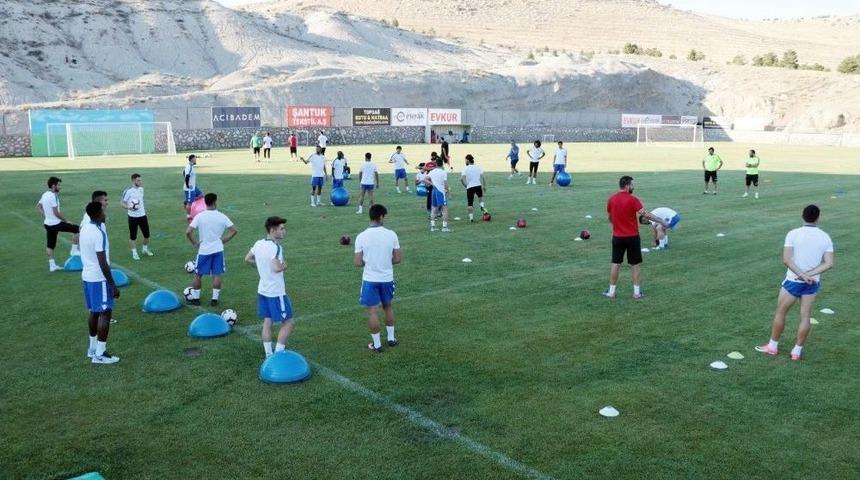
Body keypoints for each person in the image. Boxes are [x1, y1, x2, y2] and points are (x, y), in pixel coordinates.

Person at [755, 205, 834, 361]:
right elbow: (829, 263)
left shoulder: (793, 234)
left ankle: (772, 346)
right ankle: (796, 351)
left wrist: (802, 275)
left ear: (802, 216)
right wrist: (809, 275)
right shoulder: (825, 237)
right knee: (805, 316)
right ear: (818, 218)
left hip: (793, 280)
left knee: (781, 312)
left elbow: (787, 260)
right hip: (812, 283)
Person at [604, 176, 668, 300]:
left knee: (616, 264)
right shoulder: (633, 200)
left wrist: (616, 225)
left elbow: (610, 217)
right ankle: (637, 293)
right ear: (627, 185)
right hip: (632, 237)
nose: (633, 187)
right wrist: (661, 221)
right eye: (632, 185)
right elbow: (646, 214)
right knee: (635, 265)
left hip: (617, 237)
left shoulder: (611, 199)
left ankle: (611, 292)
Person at [245, 216, 295, 358]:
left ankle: (268, 354)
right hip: (275, 292)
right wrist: (284, 265)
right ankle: (278, 355)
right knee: (289, 322)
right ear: (273, 230)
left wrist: (261, 266)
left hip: (263, 290)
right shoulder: (276, 247)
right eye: (282, 229)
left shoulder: (258, 243)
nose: (284, 231)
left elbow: (247, 259)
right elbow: (275, 267)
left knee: (267, 321)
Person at [354, 204, 401, 353]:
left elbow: (357, 262)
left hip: (370, 279)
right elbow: (398, 259)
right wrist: (386, 261)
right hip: (387, 278)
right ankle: (391, 339)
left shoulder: (361, 236)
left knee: (372, 312)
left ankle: (377, 345)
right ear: (380, 217)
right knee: (388, 307)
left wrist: (369, 262)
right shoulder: (391, 234)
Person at [79, 201, 120, 364]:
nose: (105, 213)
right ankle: (100, 354)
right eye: (102, 211)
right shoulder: (97, 233)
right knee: (105, 312)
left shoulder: (85, 228)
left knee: (94, 312)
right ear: (97, 214)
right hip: (99, 278)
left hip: (87, 276)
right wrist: (112, 284)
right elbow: (102, 261)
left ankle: (92, 348)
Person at [186, 193, 238, 306]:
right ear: (215, 202)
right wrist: (223, 240)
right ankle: (214, 300)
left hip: (204, 250)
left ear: (205, 202)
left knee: (198, 274)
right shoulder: (222, 216)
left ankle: (196, 299)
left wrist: (195, 243)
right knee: (217, 274)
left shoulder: (200, 216)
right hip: (218, 250)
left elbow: (188, 232)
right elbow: (234, 230)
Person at [37, 176, 79, 272]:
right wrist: (66, 220)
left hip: (48, 224)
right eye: (58, 185)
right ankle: (74, 250)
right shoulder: (53, 196)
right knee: (78, 229)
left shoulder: (45, 194)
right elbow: (56, 212)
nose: (60, 187)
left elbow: (38, 206)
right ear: (53, 186)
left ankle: (52, 266)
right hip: (56, 223)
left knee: (50, 245)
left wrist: (46, 216)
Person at [121, 174, 153, 260]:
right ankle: (134, 253)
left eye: (141, 180)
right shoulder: (128, 191)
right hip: (132, 217)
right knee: (133, 236)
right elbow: (122, 203)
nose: (141, 182)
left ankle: (145, 249)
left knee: (147, 235)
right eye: (138, 180)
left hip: (142, 216)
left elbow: (141, 201)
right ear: (133, 181)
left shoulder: (141, 189)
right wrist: (129, 207)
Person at [460, 154, 487, 222]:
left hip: (470, 187)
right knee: (480, 198)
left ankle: (471, 218)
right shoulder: (478, 167)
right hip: (478, 185)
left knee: (470, 203)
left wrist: (466, 185)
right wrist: (484, 186)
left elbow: (461, 179)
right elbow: (483, 177)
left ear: (468, 160)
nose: (465, 161)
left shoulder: (465, 168)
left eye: (465, 160)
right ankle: (482, 207)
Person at [425, 161, 451, 232]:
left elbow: (425, 179)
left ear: (436, 164)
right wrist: (449, 192)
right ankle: (444, 227)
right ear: (442, 164)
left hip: (434, 190)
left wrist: (431, 183)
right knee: (444, 209)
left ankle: (433, 227)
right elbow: (445, 184)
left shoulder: (432, 171)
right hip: (440, 192)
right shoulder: (443, 172)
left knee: (433, 209)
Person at [183, 154, 201, 220]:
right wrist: (188, 185)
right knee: (190, 203)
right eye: (195, 158)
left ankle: (186, 201)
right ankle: (188, 215)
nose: (196, 159)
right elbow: (187, 176)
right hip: (190, 189)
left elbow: (183, 173)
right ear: (192, 159)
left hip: (193, 186)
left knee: (201, 195)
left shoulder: (191, 166)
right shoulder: (189, 167)